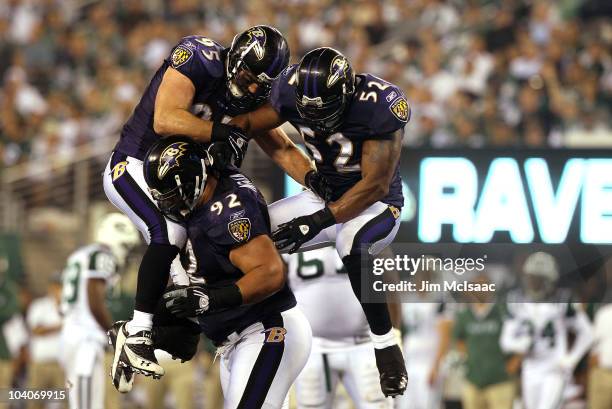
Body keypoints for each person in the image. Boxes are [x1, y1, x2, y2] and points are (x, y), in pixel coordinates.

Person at [102, 25, 316, 385]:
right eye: (248, 78)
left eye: (259, 86)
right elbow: (165, 117)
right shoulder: (199, 58)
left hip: (182, 185)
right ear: (234, 59)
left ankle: (142, 336)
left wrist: (313, 180)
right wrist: (221, 132)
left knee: (191, 277)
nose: (250, 89)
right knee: (169, 233)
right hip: (135, 165)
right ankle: (138, 331)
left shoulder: (252, 95)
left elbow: (280, 146)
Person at [231, 47, 410, 396]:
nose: (316, 119)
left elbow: (375, 184)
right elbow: (256, 126)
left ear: (345, 94)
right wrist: (225, 135)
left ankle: (386, 347)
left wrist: (316, 222)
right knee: (244, 231)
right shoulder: (287, 87)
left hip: (374, 206)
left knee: (350, 243)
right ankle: (235, 328)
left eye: (324, 110)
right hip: (322, 196)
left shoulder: (379, 103)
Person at [113, 136, 311, 407]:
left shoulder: (226, 212)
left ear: (193, 181)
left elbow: (270, 272)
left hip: (266, 328)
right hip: (233, 342)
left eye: (171, 195)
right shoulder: (207, 187)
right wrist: (145, 329)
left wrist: (211, 300)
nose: (166, 205)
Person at [285, 246, 393, 408]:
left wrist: (390, 336)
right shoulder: (294, 236)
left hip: (364, 343)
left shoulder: (363, 231)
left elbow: (389, 285)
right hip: (313, 346)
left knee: (378, 405)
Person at [59, 213, 140, 409]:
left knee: (85, 402)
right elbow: (94, 297)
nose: (126, 253)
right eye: (126, 247)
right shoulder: (102, 254)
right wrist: (112, 332)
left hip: (72, 333)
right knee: (86, 403)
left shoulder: (81, 255)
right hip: (85, 339)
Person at [501, 252, 594, 409]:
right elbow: (505, 341)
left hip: (554, 368)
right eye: (531, 278)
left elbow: (588, 333)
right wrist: (520, 344)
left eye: (538, 279)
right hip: (530, 369)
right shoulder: (517, 301)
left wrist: (572, 358)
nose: (533, 283)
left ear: (549, 280)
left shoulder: (563, 300)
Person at [25, 277, 64, 409]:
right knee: (35, 403)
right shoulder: (39, 305)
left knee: (63, 403)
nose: (58, 290)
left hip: (62, 364)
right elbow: (36, 330)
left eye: (61, 287)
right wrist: (59, 327)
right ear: (50, 287)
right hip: (40, 363)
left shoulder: (69, 307)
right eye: (56, 286)